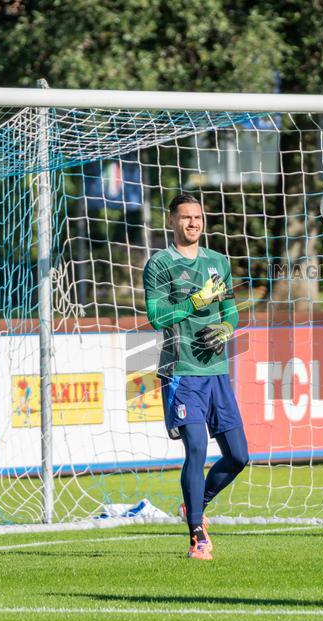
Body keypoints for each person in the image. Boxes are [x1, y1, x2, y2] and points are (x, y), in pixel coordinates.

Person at [142, 193, 249, 560]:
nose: (193, 223)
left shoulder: (218, 262)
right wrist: (194, 303)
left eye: (198, 217)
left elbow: (232, 311)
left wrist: (225, 326)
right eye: (185, 217)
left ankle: (195, 504)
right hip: (181, 372)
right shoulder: (160, 264)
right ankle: (197, 537)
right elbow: (156, 317)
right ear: (171, 221)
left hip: (217, 372)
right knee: (198, 449)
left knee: (238, 456)